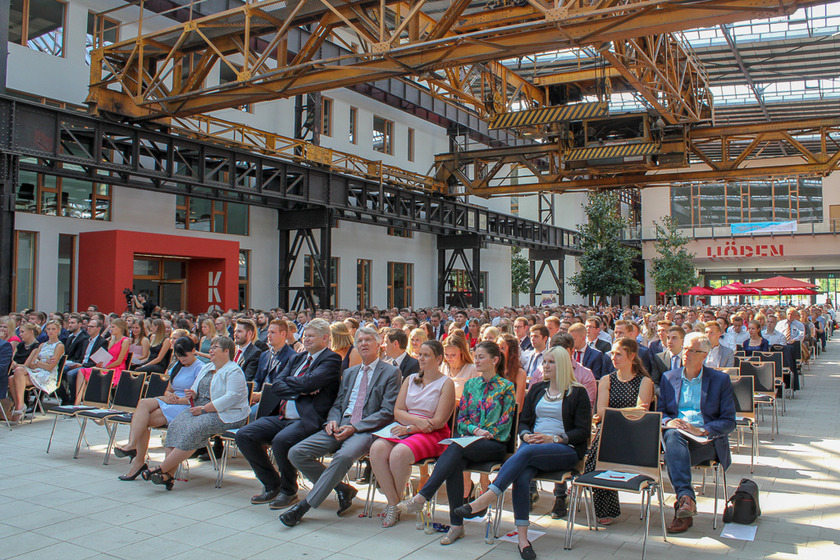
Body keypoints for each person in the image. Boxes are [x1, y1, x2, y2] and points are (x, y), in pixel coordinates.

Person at [454, 347, 591, 559]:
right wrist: (526, 435)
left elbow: (582, 431)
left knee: (525, 455)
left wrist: (552, 438)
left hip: (564, 448)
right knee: (522, 475)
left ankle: (487, 497)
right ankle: (523, 538)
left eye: (551, 362)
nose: (545, 366)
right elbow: (524, 421)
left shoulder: (577, 392)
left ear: (563, 365)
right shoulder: (537, 389)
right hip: (532, 446)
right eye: (544, 362)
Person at [398, 341, 516, 546]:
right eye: (475, 356)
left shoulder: (506, 387)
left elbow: (505, 426)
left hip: (493, 445)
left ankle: (423, 496)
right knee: (455, 460)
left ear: (494, 360)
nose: (476, 360)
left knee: (455, 448)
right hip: (469, 442)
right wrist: (475, 430)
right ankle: (456, 526)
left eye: (481, 357)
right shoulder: (471, 385)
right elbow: (461, 421)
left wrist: (483, 433)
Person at [280, 326, 401, 526]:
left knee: (343, 456)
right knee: (296, 452)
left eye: (368, 340)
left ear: (378, 343)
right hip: (340, 424)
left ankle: (304, 506)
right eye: (360, 341)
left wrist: (355, 427)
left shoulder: (391, 372)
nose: (363, 344)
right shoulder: (351, 372)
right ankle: (341, 489)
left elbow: (387, 412)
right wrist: (332, 420)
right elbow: (338, 403)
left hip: (365, 430)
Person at [237, 318, 342, 509]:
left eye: (311, 336)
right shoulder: (297, 358)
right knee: (244, 435)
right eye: (305, 335)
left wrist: (299, 384)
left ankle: (289, 491)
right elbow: (277, 384)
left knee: (281, 440)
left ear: (325, 338)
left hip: (307, 419)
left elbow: (311, 382)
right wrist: (301, 389)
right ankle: (272, 484)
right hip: (282, 415)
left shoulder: (332, 359)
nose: (306, 339)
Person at [142, 336, 250, 490]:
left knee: (194, 429)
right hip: (200, 409)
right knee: (175, 426)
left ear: (226, 351)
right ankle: (168, 475)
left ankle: (162, 468)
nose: (210, 350)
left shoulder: (234, 370)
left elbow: (231, 397)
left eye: (215, 348)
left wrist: (205, 408)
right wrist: (192, 394)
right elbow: (196, 389)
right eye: (211, 347)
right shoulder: (207, 367)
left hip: (225, 414)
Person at [369, 340, 456, 527]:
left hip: (433, 432)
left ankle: (393, 505)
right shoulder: (410, 379)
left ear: (439, 358)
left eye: (426, 355)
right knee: (376, 449)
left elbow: (439, 420)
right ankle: (394, 503)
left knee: (399, 454)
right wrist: (413, 424)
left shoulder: (446, 383)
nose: (421, 358)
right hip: (406, 425)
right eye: (420, 354)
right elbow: (398, 411)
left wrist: (411, 428)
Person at [658, 332, 736, 534]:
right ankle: (686, 501)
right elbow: (661, 412)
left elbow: (729, 422)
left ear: (705, 355)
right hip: (676, 437)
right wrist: (669, 421)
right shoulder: (669, 378)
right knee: (673, 436)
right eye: (685, 349)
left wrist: (700, 429)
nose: (687, 354)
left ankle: (684, 503)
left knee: (672, 454)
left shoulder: (720, 380)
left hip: (705, 441)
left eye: (693, 350)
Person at [113, 337, 203, 480]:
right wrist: (170, 396)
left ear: (193, 351)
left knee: (144, 420)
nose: (182, 359)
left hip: (185, 405)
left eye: (185, 355)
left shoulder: (200, 368)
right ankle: (132, 446)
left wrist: (176, 400)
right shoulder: (177, 366)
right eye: (179, 356)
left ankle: (137, 460)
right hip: (172, 401)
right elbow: (168, 390)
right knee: (143, 404)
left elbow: (199, 398)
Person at [586, 337, 654, 525]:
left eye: (618, 354)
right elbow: (600, 411)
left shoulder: (644, 381)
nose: (613, 358)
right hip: (609, 431)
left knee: (602, 449)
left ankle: (606, 507)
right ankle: (605, 508)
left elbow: (642, 412)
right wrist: (625, 413)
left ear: (632, 356)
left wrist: (613, 414)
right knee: (594, 462)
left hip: (633, 434)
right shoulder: (607, 379)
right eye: (612, 354)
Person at [9, 320, 65, 422]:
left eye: (53, 329)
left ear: (58, 331)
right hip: (37, 372)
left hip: (48, 375)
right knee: (11, 378)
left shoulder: (59, 346)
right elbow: (31, 364)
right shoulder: (42, 345)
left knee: (19, 371)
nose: (50, 331)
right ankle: (19, 405)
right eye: (48, 329)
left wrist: (38, 362)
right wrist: (42, 363)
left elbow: (50, 368)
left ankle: (20, 407)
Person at [249, 319, 297, 416]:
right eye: (268, 332)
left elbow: (285, 384)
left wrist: (260, 396)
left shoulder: (292, 357)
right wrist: (252, 394)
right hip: (258, 397)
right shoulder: (264, 355)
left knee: (251, 413)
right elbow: (257, 378)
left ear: (283, 334)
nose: (268, 336)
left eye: (273, 333)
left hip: (274, 400)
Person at [75, 319, 130, 403]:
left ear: (120, 328)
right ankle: (80, 401)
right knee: (81, 372)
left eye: (113, 327)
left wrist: (105, 367)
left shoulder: (125, 341)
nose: (111, 329)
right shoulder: (111, 340)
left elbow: (119, 361)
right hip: (108, 365)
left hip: (117, 368)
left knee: (87, 372)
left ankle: (84, 402)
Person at [442, 333, 477, 400]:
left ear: (461, 352)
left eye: (453, 355)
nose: (449, 358)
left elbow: (473, 398)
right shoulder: (442, 366)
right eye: (446, 354)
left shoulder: (472, 369)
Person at [497, 333, 527, 409]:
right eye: (497, 347)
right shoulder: (490, 370)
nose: (498, 351)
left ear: (511, 353)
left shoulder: (520, 373)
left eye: (502, 348)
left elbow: (518, 407)